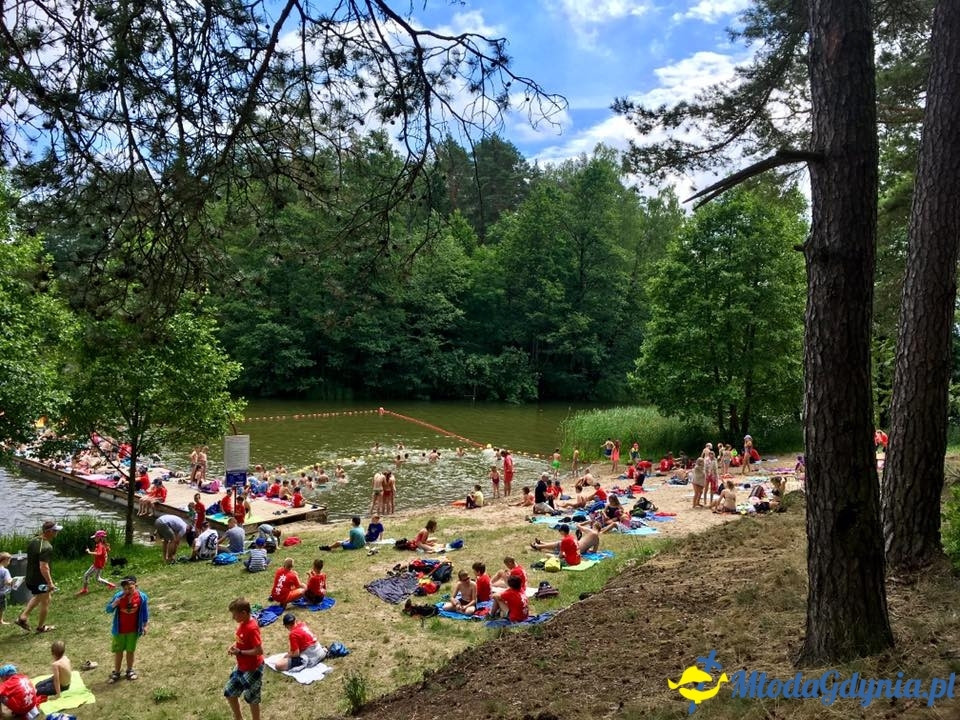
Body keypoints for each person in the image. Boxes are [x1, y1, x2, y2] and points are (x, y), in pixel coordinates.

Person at [15, 520, 61, 633]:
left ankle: (23, 617)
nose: (57, 533)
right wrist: (50, 583)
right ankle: (40, 627)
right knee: (45, 600)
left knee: (42, 597)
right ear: (49, 531)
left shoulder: (33, 541)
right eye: (55, 531)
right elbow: (44, 567)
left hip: (30, 579)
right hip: (40, 581)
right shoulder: (47, 547)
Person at [225, 597, 263, 720]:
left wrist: (240, 652)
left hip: (253, 668)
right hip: (242, 666)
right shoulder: (243, 623)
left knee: (252, 699)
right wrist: (234, 646)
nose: (233, 618)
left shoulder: (251, 628)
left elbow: (258, 650)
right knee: (229, 692)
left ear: (244, 613)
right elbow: (242, 640)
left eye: (234, 615)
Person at [106, 575, 149, 683]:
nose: (127, 591)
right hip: (119, 630)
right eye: (125, 589)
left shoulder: (141, 597)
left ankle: (129, 670)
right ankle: (116, 672)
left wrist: (145, 625)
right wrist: (114, 604)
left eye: (130, 588)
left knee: (130, 651)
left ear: (136, 586)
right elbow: (108, 610)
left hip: (133, 630)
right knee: (118, 651)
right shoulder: (118, 596)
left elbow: (144, 612)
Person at [78, 529, 116, 594]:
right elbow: (105, 552)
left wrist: (89, 552)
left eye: (96, 537)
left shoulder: (100, 545)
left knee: (86, 575)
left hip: (97, 565)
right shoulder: (102, 544)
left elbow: (99, 553)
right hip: (99, 564)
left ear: (100, 538)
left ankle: (85, 589)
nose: (94, 538)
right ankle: (111, 585)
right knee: (97, 578)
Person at [0, 552, 11, 625]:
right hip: (1, 593)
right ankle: (0, 620)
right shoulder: (5, 571)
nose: (9, 562)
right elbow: (8, 582)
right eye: (9, 561)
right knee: (1, 608)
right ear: (5, 561)